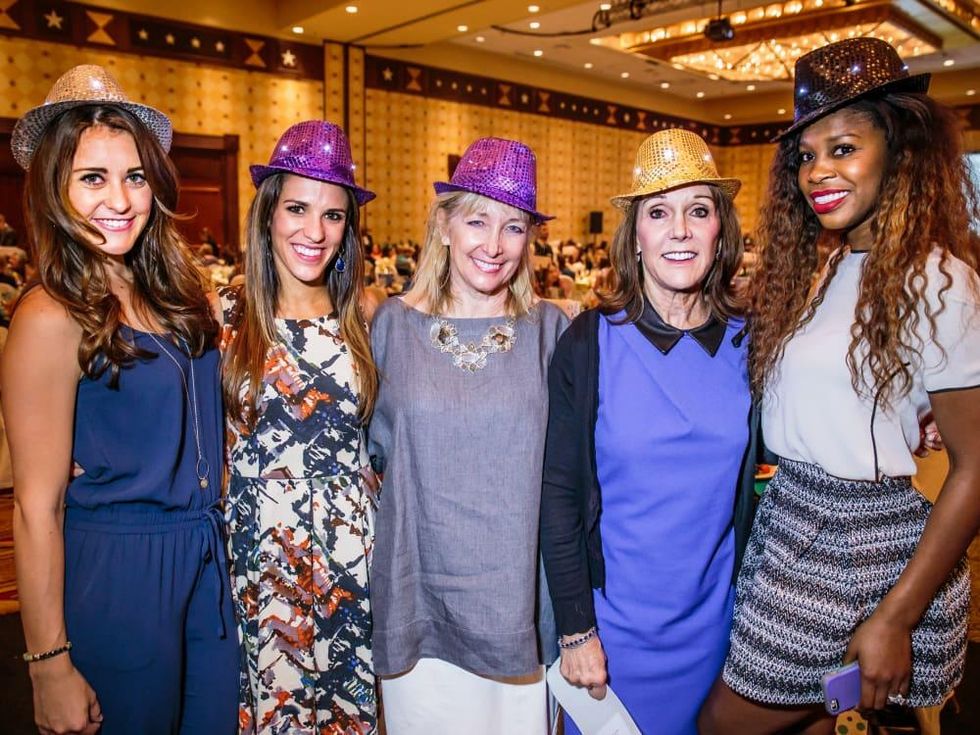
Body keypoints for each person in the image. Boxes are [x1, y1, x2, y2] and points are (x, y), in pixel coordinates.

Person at [699, 38, 980, 734]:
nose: (818, 170)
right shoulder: (829, 268)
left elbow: (977, 467)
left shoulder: (938, 280)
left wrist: (895, 615)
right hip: (789, 517)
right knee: (810, 724)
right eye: (806, 155)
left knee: (723, 724)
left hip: (853, 542)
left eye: (843, 147)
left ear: (900, 151)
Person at [3, 64, 238, 734]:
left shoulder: (176, 293)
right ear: (55, 188)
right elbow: (35, 505)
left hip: (203, 557)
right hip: (118, 569)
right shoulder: (50, 313)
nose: (120, 198)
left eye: (134, 175)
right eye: (92, 178)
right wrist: (47, 664)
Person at [540, 129, 760, 734]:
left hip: (721, 632)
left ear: (721, 232)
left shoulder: (756, 344)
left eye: (698, 211)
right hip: (612, 637)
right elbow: (558, 500)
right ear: (634, 236)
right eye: (658, 213)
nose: (680, 231)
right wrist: (575, 630)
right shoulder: (590, 342)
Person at [368, 137, 568, 735]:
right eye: (477, 220)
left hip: (519, 613)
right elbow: (363, 457)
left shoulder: (552, 332)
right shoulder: (392, 327)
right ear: (446, 225)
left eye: (513, 227)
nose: (494, 244)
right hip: (418, 605)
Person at [216, 120, 379, 734]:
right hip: (260, 554)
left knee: (347, 715)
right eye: (297, 209)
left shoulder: (366, 315)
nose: (315, 232)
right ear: (267, 213)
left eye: (333, 216)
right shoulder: (224, 315)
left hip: (351, 556)